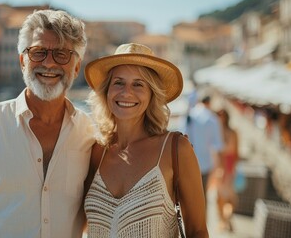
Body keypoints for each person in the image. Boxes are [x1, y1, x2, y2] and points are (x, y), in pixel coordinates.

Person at [0, 9, 95, 238]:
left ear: (76, 66)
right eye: (39, 52)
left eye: (62, 54)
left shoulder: (90, 134)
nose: (49, 63)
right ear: (23, 60)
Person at [83, 43, 208, 237]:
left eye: (138, 84)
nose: (126, 92)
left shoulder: (175, 149)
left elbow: (197, 231)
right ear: (107, 91)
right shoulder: (96, 152)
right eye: (118, 82)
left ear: (152, 95)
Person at [184, 94, 223, 204]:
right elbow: (217, 146)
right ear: (209, 103)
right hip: (205, 164)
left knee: (188, 197)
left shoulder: (189, 116)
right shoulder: (212, 119)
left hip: (187, 163)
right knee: (202, 197)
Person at [215, 109, 239, 232]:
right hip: (224, 166)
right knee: (222, 197)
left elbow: (233, 152)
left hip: (225, 167)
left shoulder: (227, 132)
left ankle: (224, 220)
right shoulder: (227, 132)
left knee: (224, 197)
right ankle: (225, 220)